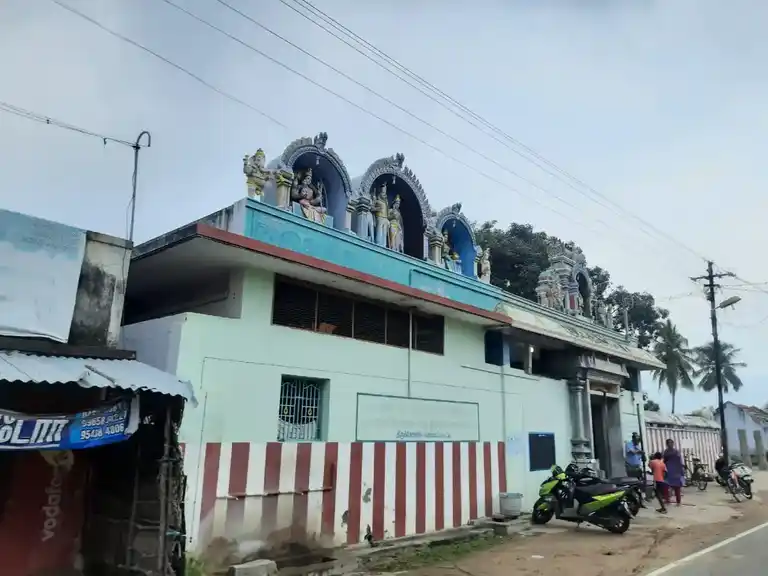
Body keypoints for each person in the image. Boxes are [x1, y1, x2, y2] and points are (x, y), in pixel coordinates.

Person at [663, 438, 684, 505]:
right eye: (669, 443)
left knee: (677, 487)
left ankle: (678, 501)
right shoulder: (666, 452)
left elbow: (679, 461)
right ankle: (668, 500)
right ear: (667, 444)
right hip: (669, 470)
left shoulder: (676, 452)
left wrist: (681, 471)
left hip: (675, 471)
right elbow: (664, 461)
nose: (670, 444)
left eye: (671, 443)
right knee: (667, 486)